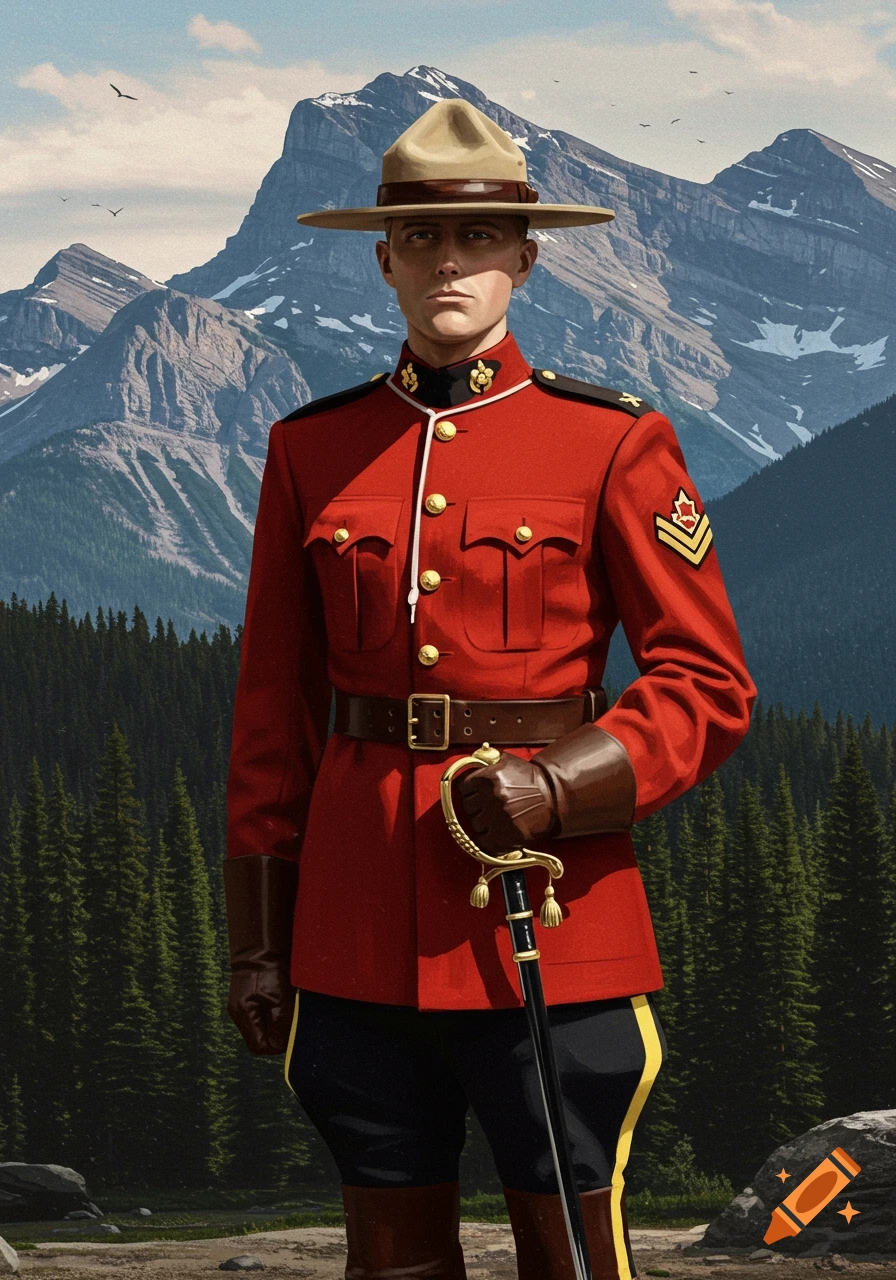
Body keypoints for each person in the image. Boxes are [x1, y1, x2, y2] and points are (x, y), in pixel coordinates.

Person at [223, 99, 756, 1280]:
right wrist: (256, 942)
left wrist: (559, 785)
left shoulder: (610, 441)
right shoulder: (309, 447)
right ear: (382, 259)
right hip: (353, 930)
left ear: (524, 254)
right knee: (388, 1247)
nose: (446, 262)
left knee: (566, 1239)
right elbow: (274, 711)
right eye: (419, 239)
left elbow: (707, 683)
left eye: (474, 239)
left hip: (550, 913)